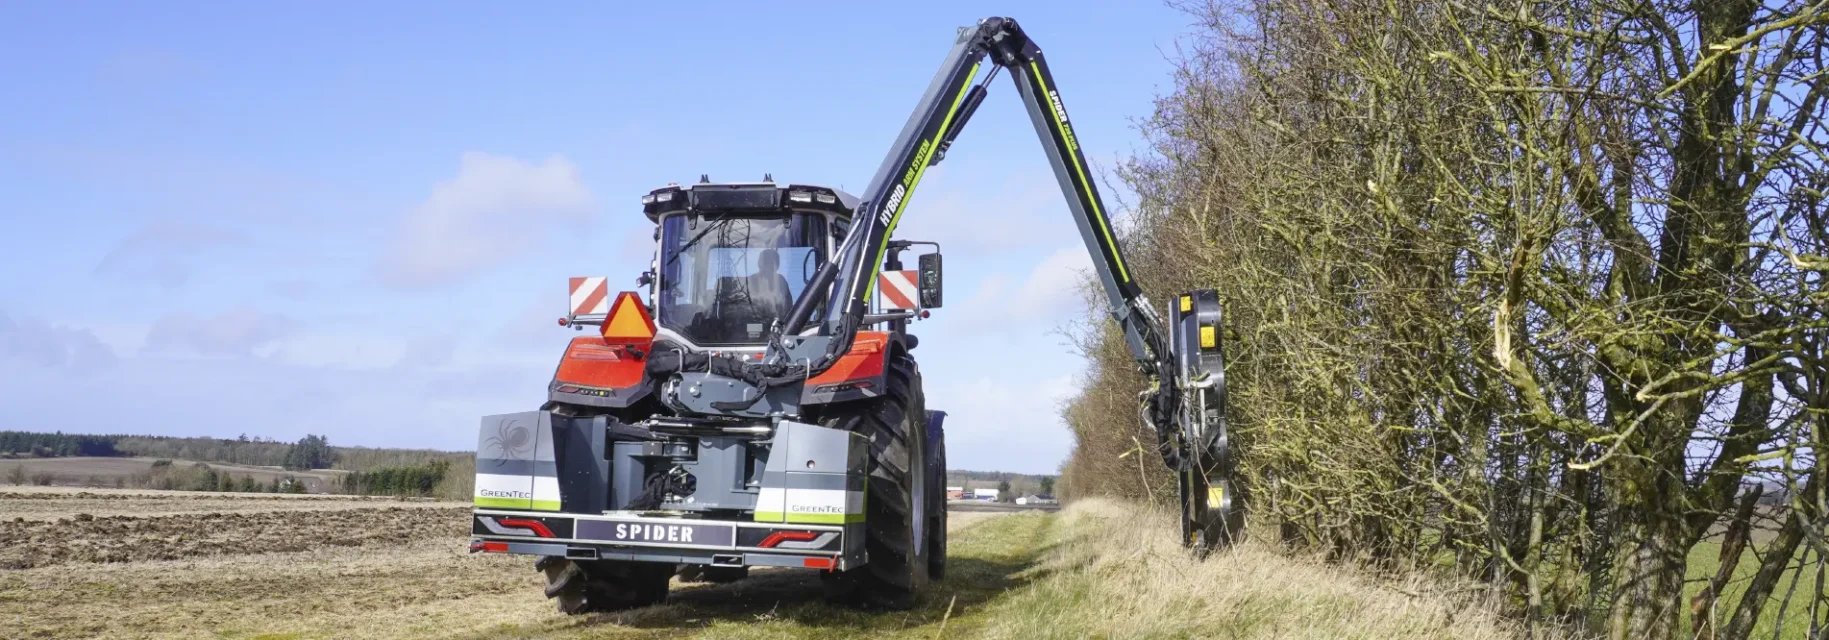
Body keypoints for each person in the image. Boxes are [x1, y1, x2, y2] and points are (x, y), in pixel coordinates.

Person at [745, 248, 793, 316]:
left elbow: (788, 307)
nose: (767, 268)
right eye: (766, 263)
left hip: (777, 320)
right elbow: (744, 305)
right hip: (753, 319)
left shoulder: (780, 280)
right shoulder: (750, 280)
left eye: (771, 264)